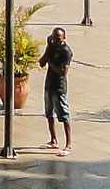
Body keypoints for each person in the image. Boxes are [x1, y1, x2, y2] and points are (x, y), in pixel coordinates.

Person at [39, 26, 73, 156]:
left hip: (59, 87)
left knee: (64, 115)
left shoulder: (66, 52)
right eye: (54, 38)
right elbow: (41, 62)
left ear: (64, 38)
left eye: (58, 38)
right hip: (49, 84)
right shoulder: (52, 48)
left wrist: (50, 63)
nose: (56, 40)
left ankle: (68, 144)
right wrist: (48, 48)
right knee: (48, 113)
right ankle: (53, 140)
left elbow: (63, 72)